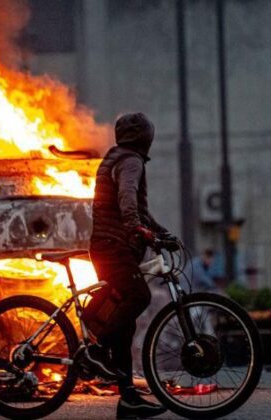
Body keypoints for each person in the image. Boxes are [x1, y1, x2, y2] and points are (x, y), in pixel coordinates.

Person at [83, 112, 170, 419]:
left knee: (126, 325)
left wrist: (160, 233)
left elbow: (140, 212)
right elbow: (127, 199)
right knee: (139, 297)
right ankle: (96, 350)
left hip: (110, 246)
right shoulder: (131, 160)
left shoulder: (117, 155)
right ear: (146, 137)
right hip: (113, 247)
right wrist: (136, 227)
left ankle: (128, 399)